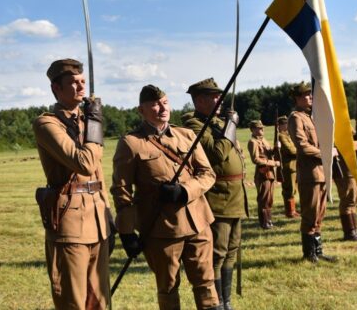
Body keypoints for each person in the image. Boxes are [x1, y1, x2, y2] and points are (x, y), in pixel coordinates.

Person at [112, 85, 221, 310]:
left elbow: (208, 174)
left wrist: (185, 190)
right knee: (168, 287)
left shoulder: (187, 134)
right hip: (161, 229)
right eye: (154, 104)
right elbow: (121, 190)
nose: (161, 108)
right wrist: (126, 232)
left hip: (198, 223)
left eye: (165, 102)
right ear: (141, 110)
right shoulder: (131, 143)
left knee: (206, 283)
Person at [32, 58, 113, 310]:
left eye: (82, 82)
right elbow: (85, 162)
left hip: (97, 220)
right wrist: (96, 124)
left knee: (99, 300)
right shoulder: (47, 124)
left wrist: (108, 213)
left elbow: (97, 175)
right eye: (73, 83)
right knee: (73, 301)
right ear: (56, 88)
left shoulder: (86, 121)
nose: (80, 88)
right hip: (70, 223)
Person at [182, 77, 247, 310]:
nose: (220, 100)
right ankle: (216, 303)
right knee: (217, 253)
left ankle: (226, 302)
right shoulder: (194, 124)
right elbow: (216, 154)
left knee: (231, 250)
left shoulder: (218, 122)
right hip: (218, 196)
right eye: (214, 96)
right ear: (199, 100)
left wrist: (226, 125)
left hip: (235, 195)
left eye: (219, 95)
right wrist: (231, 126)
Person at [287, 82, 336, 263]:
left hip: (321, 172)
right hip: (309, 174)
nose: (310, 97)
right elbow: (302, 146)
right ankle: (309, 253)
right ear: (297, 98)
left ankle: (318, 250)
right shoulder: (296, 118)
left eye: (310, 94)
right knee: (310, 214)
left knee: (319, 213)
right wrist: (326, 153)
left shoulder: (312, 117)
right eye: (306, 95)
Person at [330, 139, 357, 242]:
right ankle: (349, 233)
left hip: (353, 169)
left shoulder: (347, 126)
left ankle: (354, 231)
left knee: (354, 200)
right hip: (344, 170)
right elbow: (340, 144)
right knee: (347, 200)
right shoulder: (335, 126)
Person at [247, 120, 279, 230]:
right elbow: (255, 159)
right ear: (253, 130)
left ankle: (269, 220)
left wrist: (276, 148)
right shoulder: (253, 142)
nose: (261, 130)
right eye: (259, 128)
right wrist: (273, 163)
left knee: (269, 198)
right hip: (262, 172)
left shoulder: (263, 140)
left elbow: (269, 153)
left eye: (262, 128)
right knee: (264, 198)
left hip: (270, 172)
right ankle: (264, 222)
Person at [277, 115, 300, 218]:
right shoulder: (281, 136)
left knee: (294, 189)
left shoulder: (288, 135)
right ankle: (290, 211)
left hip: (294, 165)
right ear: (280, 125)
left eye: (287, 123)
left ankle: (293, 210)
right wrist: (301, 150)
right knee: (289, 190)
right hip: (288, 166)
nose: (286, 125)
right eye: (284, 124)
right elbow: (291, 150)